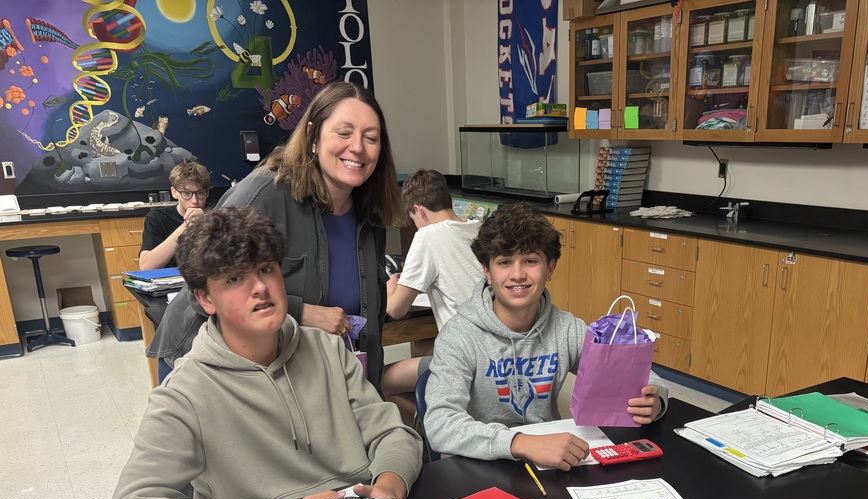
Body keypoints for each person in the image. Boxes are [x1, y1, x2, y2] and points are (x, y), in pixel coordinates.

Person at [99, 207, 422, 499]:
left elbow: (392, 433)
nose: (260, 288)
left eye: (266, 269)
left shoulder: (328, 349)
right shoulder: (185, 393)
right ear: (206, 299)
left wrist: (387, 489)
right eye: (234, 279)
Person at [147, 82, 406, 388]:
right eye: (344, 132)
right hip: (209, 370)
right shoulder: (264, 194)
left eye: (371, 138)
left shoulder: (370, 213)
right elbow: (201, 291)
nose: (358, 147)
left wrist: (371, 389)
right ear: (313, 137)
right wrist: (302, 312)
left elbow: (369, 321)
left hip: (302, 371)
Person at [423, 201, 667, 470]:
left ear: (550, 269)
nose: (517, 275)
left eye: (530, 261)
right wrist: (519, 442)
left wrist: (655, 399)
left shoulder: (567, 329)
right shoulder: (459, 336)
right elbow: (440, 424)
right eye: (504, 262)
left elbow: (637, 375)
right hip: (480, 462)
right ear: (487, 272)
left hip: (550, 460)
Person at [381, 168, 483, 409]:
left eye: (413, 219)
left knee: (381, 380)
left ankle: (434, 426)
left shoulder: (428, 235)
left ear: (418, 210)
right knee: (421, 345)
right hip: (493, 348)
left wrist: (390, 285)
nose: (416, 225)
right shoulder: (479, 229)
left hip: (467, 356)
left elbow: (395, 309)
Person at [138, 160, 211, 270]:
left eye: (200, 193)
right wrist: (186, 226)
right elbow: (146, 267)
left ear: (207, 193)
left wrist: (208, 221)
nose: (195, 201)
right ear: (174, 192)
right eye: (186, 193)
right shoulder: (157, 218)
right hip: (171, 279)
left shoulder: (216, 215)